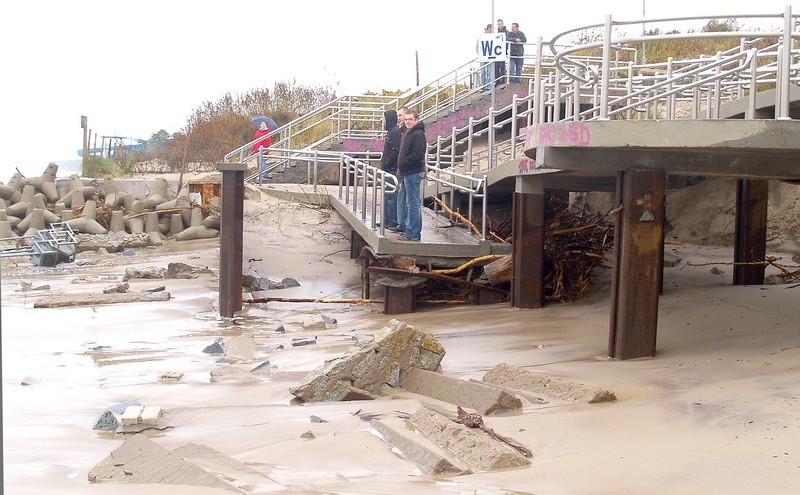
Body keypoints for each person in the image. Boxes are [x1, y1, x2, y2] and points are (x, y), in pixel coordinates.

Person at [395, 110, 426, 242]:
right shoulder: (409, 133)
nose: (407, 121)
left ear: (416, 120)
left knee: (413, 203)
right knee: (410, 202)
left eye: (410, 119)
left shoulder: (418, 134)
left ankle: (413, 233)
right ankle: (410, 230)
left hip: (413, 172)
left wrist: (404, 162)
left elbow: (419, 154)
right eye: (406, 119)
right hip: (407, 172)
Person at [380, 110, 401, 230]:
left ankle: (392, 220)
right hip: (387, 169)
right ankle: (386, 219)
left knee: (391, 196)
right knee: (386, 196)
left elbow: (395, 150)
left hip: (391, 169)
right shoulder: (390, 132)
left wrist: (387, 162)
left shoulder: (395, 132)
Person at [478, 24, 493, 91]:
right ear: (489, 28)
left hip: (490, 56)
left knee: (489, 72)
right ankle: (482, 86)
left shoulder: (493, 36)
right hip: (483, 56)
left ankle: (487, 86)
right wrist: (480, 54)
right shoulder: (481, 36)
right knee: (483, 71)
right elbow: (477, 46)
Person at [494, 19, 509, 87]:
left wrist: (505, 49)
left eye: (500, 24)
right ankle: (497, 82)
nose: (499, 25)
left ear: (502, 24)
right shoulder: (497, 32)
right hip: (496, 53)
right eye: (498, 24)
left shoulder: (506, 32)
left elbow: (507, 41)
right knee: (496, 67)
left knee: (502, 67)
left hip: (502, 52)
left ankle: (502, 81)